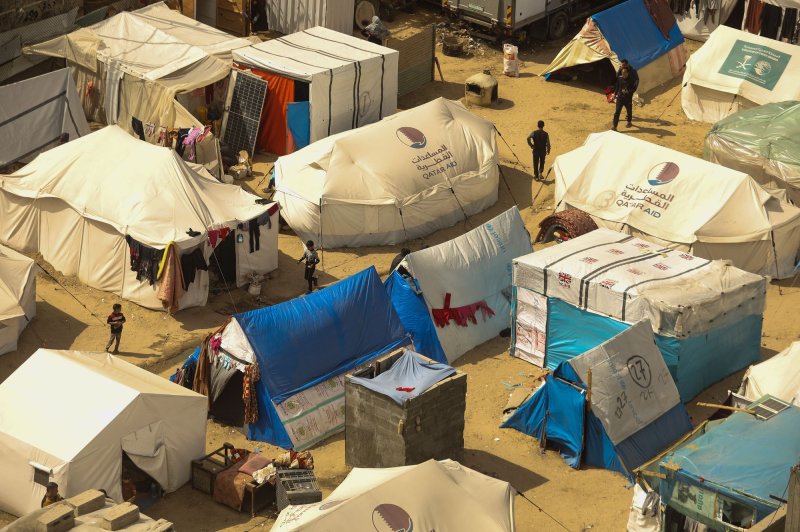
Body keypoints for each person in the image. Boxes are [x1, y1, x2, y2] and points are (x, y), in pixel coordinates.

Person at [612, 66, 636, 131]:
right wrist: (614, 94)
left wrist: (628, 92)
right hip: (620, 98)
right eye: (622, 72)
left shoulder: (632, 80)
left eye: (625, 72)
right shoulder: (619, 78)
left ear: (628, 73)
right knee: (617, 112)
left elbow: (633, 89)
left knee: (629, 110)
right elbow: (617, 87)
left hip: (627, 98)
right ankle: (614, 126)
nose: (623, 74)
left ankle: (629, 122)